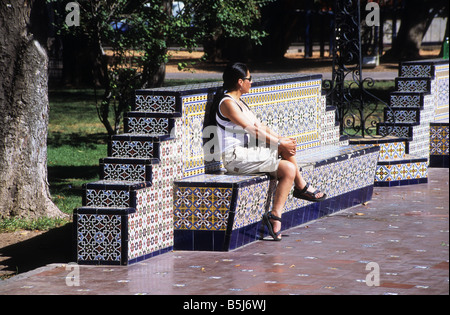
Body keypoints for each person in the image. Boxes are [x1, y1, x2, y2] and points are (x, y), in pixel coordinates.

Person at [207, 62, 326, 241]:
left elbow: (260, 126)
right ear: (240, 82)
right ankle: (301, 187)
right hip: (235, 159)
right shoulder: (227, 104)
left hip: (247, 153)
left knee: (288, 168)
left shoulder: (240, 103)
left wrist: (282, 140)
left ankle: (275, 215)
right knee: (285, 152)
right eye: (249, 79)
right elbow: (252, 131)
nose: (251, 82)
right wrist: (279, 143)